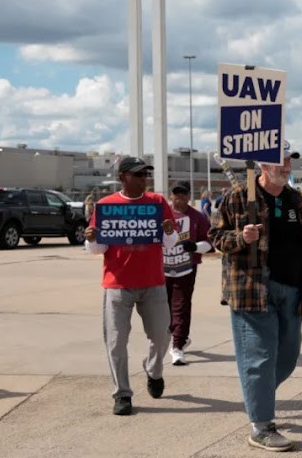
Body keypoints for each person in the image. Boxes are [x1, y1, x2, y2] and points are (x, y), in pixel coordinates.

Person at [209, 151, 302, 452]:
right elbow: (216, 237)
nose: (288, 167)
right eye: (282, 161)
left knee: (289, 356)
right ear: (264, 165)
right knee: (260, 358)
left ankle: (258, 394)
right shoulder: (239, 197)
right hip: (252, 291)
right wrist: (241, 238)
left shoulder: (296, 200)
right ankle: (261, 426)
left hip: (292, 291)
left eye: (290, 161)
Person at [84, 156, 178, 416]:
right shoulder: (106, 206)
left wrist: (169, 231)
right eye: (137, 174)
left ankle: (153, 369)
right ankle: (122, 394)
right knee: (116, 341)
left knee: (162, 336)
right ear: (123, 177)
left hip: (153, 283)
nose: (143, 179)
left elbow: (170, 243)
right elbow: (98, 249)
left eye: (145, 174)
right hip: (117, 285)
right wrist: (91, 239)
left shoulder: (158, 203)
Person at [163, 181, 213, 365]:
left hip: (187, 268)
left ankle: (177, 346)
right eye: (176, 193)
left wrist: (195, 246)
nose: (180, 197)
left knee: (181, 305)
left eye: (184, 194)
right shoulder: (162, 214)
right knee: (164, 307)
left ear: (189, 196)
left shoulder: (197, 217)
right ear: (171, 195)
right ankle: (179, 335)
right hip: (162, 268)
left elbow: (209, 243)